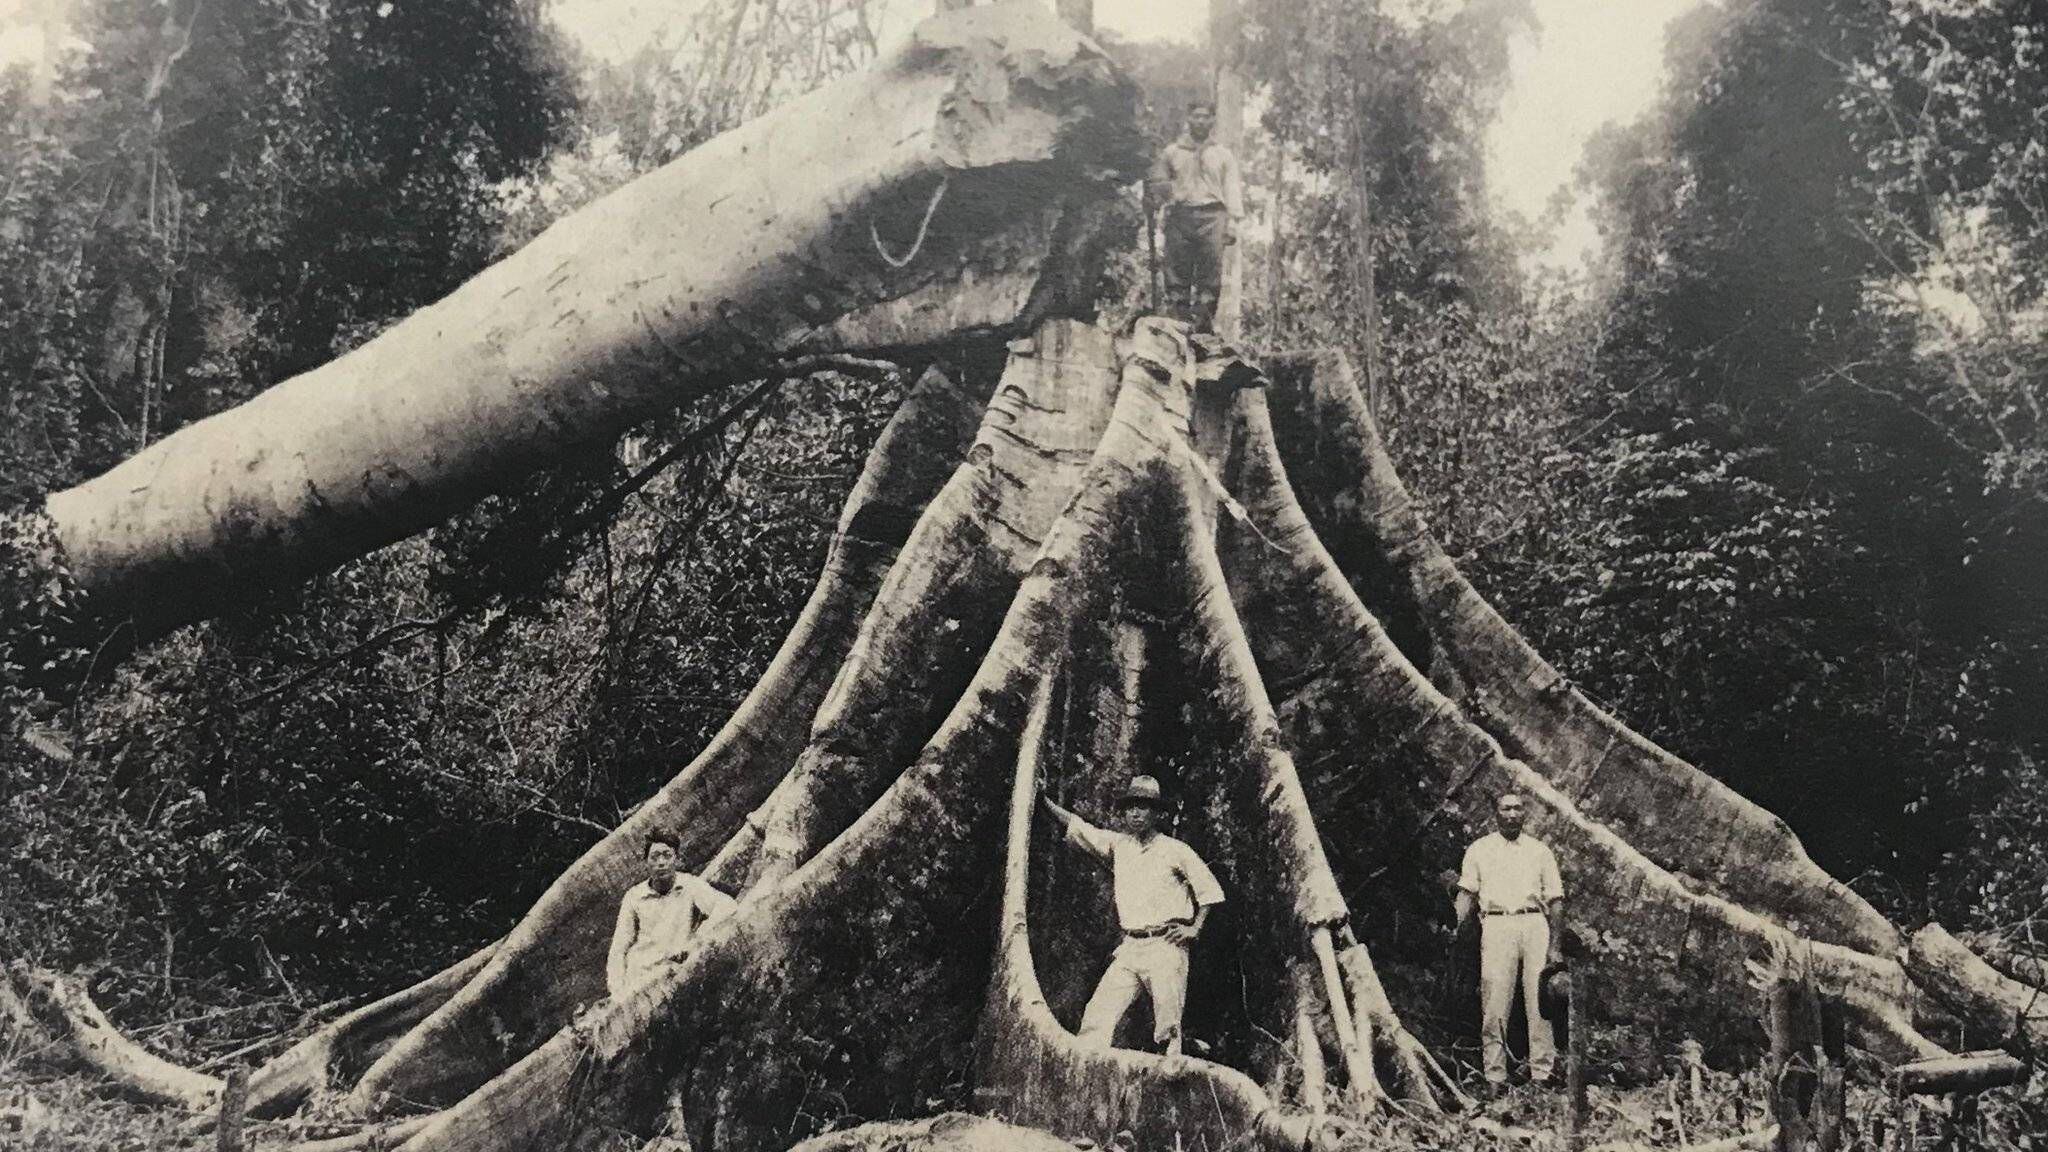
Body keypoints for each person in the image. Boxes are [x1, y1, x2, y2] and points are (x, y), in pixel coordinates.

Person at [1042, 775, 1225, 1056]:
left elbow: (1209, 890)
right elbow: (1079, 828)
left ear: (1156, 813)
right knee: (1097, 1016)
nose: (1136, 813)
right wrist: (1043, 800)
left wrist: (1194, 929)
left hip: (1165, 945)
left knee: (1168, 1027)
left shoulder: (1174, 851)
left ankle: (1174, 1072)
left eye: (1144, 807)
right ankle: (1088, 1078)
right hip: (1131, 947)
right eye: (1131, 807)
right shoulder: (1119, 846)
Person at [1455, 791, 1565, 1089]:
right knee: (1495, 1001)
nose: (1513, 814)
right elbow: (1466, 894)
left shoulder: (1540, 851)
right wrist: (1459, 931)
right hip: (1497, 924)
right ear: (1496, 813)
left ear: (1525, 814)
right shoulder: (1479, 849)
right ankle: (1495, 1076)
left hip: (1533, 924)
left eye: (1518, 809)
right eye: (1506, 808)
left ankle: (1542, 1074)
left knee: (1539, 1002)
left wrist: (1555, 946)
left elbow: (1555, 900)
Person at [1147, 101, 1242, 333]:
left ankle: (1202, 331)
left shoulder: (1223, 154)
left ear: (1212, 121)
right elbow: (1158, 185)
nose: (1200, 121)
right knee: (1177, 274)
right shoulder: (1172, 152)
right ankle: (1178, 329)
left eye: (1205, 117)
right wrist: (1157, 201)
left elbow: (1231, 188)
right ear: (1188, 119)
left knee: (1210, 276)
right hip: (1181, 216)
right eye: (1196, 116)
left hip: (1213, 216)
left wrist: (1233, 222)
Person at [607, 831, 737, 998]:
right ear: (646, 862)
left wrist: (696, 939)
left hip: (676, 972)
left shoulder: (689, 885)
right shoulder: (634, 897)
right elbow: (619, 948)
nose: (661, 863)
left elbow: (727, 906)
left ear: (676, 859)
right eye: (654, 857)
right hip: (640, 978)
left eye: (667, 856)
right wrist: (617, 990)